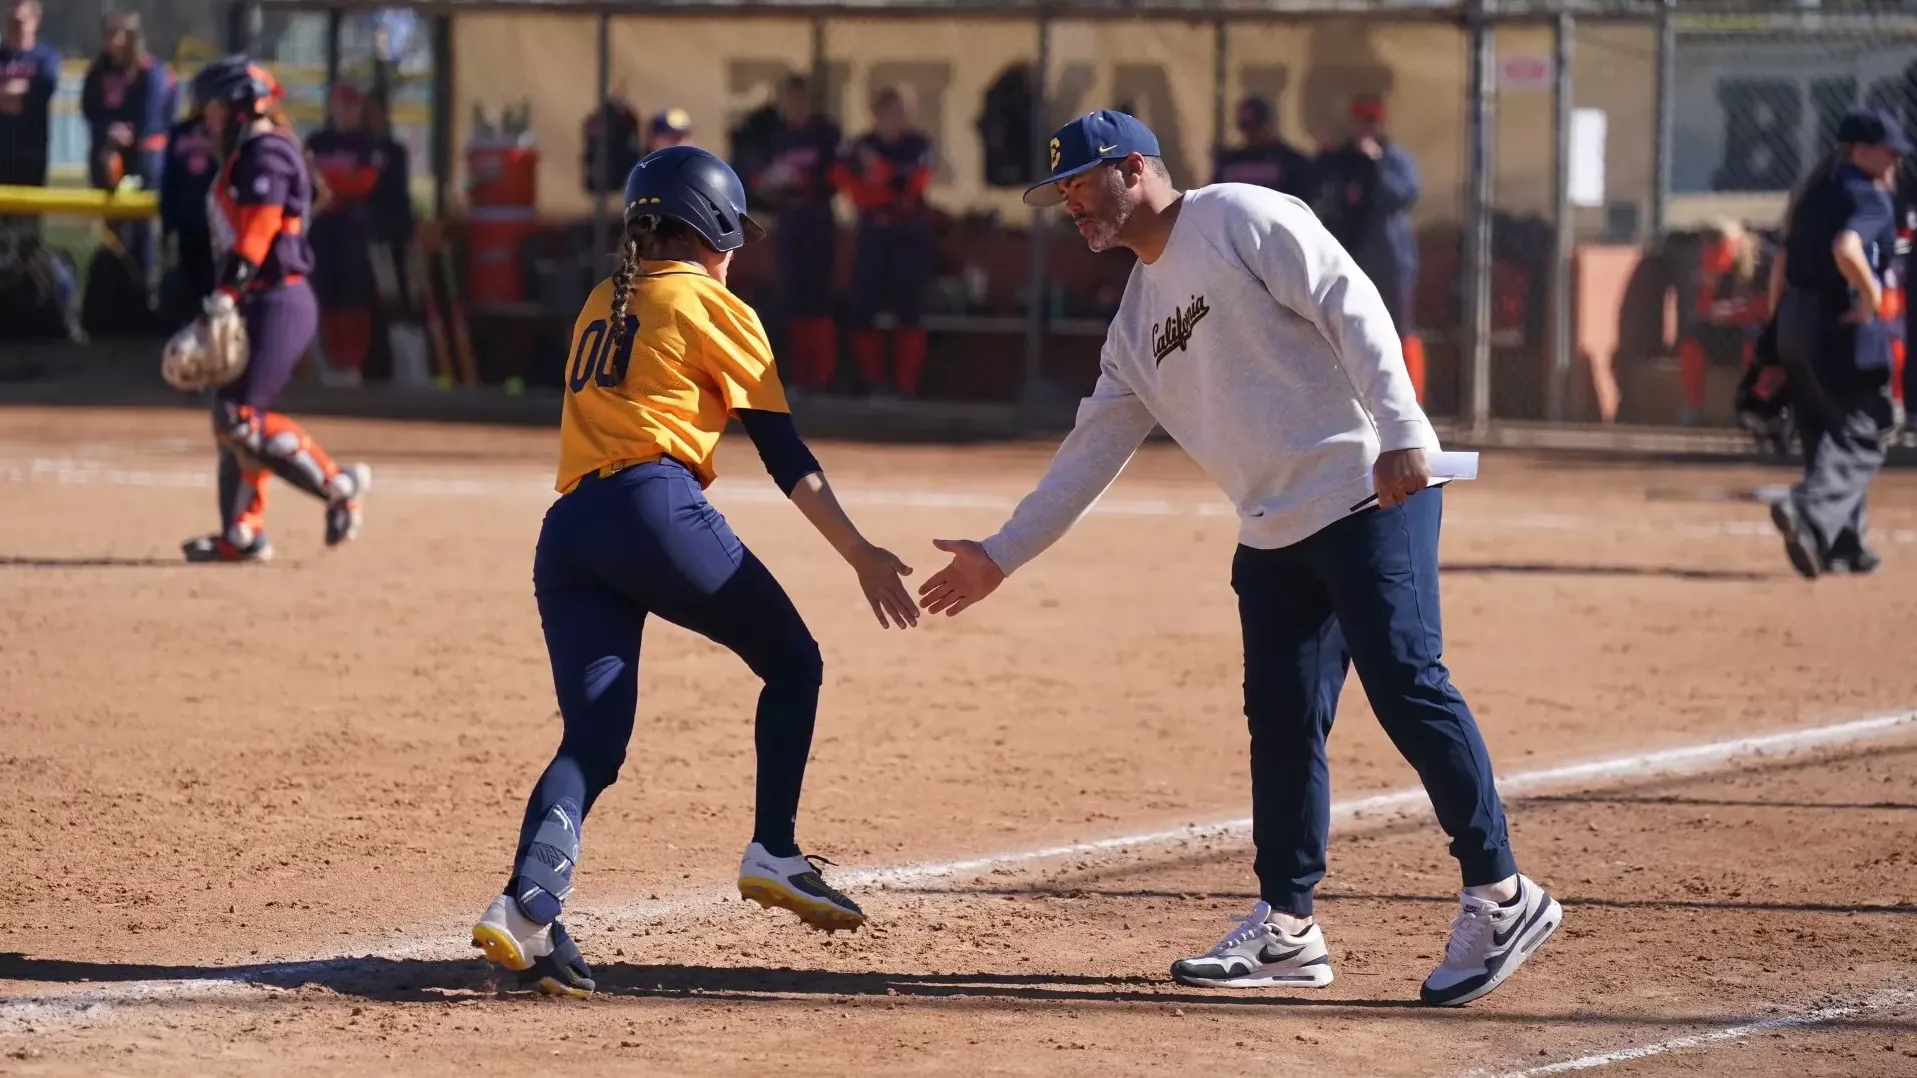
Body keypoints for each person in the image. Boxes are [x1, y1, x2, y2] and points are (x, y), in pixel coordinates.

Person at [916, 111, 1560, 1006]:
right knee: (1283, 724)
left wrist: (1404, 428)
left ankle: (1501, 894)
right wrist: (1000, 553)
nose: (1067, 203)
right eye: (1058, 191)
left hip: (1371, 489)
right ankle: (1288, 930)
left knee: (1408, 683)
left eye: (1079, 183)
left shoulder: (1239, 216)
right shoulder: (1135, 322)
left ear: (1134, 168)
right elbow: (1090, 452)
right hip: (1271, 531)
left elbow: (1349, 297)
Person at [468, 145, 917, 997]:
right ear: (710, 228)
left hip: (568, 534)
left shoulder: (604, 299)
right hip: (650, 507)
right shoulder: (715, 305)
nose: (736, 249)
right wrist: (857, 551)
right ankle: (774, 850)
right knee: (793, 661)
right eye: (732, 233)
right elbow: (785, 455)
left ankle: (526, 911)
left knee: (592, 744)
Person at [181, 55, 371, 564]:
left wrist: (224, 295)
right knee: (232, 417)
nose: (208, 118)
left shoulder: (266, 151)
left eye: (216, 107)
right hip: (258, 296)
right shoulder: (251, 150)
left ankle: (339, 486)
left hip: (278, 298)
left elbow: (259, 231)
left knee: (239, 418)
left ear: (242, 105)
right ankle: (242, 531)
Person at [1768, 109, 1907, 580]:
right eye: (1888, 152)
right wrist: (1870, 297)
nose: (1895, 161)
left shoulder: (1812, 195)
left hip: (1796, 319)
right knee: (1868, 429)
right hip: (1839, 322)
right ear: (1860, 152)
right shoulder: (1869, 197)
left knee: (1828, 428)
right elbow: (1847, 249)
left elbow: (1781, 263)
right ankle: (1808, 510)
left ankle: (1840, 545)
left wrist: (1776, 327)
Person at [835, 88, 935, 399]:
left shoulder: (918, 145)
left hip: (908, 234)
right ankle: (873, 383)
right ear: (877, 114)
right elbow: (850, 188)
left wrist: (881, 174)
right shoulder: (860, 146)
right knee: (863, 307)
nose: (897, 119)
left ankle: (905, 387)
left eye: (902, 112)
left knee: (909, 310)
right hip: (872, 234)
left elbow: (915, 185)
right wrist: (885, 188)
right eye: (891, 112)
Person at [751, 75, 843, 396]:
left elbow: (836, 178)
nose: (797, 108)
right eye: (791, 102)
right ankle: (800, 377)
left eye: (802, 101)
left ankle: (822, 377)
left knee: (818, 299)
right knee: (792, 298)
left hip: (818, 221)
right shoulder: (778, 137)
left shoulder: (826, 135)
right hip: (789, 221)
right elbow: (760, 178)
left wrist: (804, 180)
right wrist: (770, 184)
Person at [1316, 94, 1420, 340]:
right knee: (1349, 325)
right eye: (1361, 121)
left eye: (1372, 120)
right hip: (1351, 256)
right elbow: (1323, 199)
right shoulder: (1343, 160)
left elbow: (1405, 195)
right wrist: (1325, 159)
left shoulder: (1394, 158)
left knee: (1398, 328)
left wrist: (1377, 163)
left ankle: (1407, 379)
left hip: (1389, 260)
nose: (1366, 127)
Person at [81, 13, 176, 279]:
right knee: (113, 232)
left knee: (141, 231)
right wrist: (106, 132)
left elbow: (154, 118)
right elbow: (90, 109)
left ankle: (143, 293)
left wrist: (132, 135)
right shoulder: (100, 71)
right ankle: (114, 292)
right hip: (109, 159)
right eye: (107, 34)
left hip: (143, 161)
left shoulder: (150, 72)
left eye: (116, 33)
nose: (110, 41)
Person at [305, 84, 386, 385]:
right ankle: (326, 363)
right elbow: (304, 179)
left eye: (353, 105)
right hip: (319, 232)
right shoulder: (318, 140)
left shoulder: (366, 143)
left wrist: (328, 184)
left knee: (351, 297)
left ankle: (351, 362)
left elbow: (364, 183)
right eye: (342, 104)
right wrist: (337, 183)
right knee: (320, 296)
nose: (347, 111)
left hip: (352, 232)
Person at [1676, 220, 1773, 425]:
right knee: (1693, 336)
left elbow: (1772, 309)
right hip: (1727, 334)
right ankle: (1694, 407)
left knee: (1755, 340)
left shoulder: (1765, 260)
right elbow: (1702, 311)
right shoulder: (1709, 264)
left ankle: (1758, 407)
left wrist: (1738, 312)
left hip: (1759, 332)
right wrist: (1709, 285)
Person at [159, 83, 220, 321]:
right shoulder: (180, 131)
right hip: (186, 219)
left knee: (213, 286)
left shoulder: (225, 133)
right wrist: (167, 223)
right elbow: (169, 180)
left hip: (216, 224)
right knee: (187, 284)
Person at [1212, 96, 1317, 204]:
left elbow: (1301, 203)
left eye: (1256, 127)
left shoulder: (1292, 162)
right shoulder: (1229, 162)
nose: (1251, 133)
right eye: (1246, 126)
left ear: (1269, 124)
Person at [0, 0, 59, 189]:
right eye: (11, 21)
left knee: (27, 214)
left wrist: (14, 96)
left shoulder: (45, 57)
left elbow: (43, 89)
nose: (15, 26)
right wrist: (19, 91)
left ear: (35, 22)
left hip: (30, 150)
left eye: (21, 21)